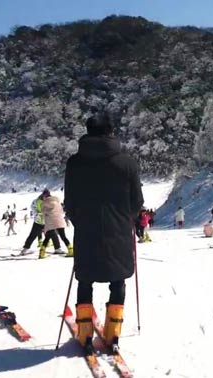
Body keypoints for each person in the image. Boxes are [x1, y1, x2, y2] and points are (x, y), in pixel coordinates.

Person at [64, 111, 144, 353]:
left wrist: (82, 222)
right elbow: (136, 202)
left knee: (85, 280)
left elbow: (70, 203)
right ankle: (113, 333)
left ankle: (86, 335)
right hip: (118, 231)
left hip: (87, 230)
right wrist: (124, 220)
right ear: (111, 132)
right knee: (118, 280)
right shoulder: (127, 163)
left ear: (87, 132)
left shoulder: (75, 162)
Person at [39, 191, 72, 258]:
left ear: (45, 196)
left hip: (50, 222)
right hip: (59, 220)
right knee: (63, 236)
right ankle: (71, 250)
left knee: (47, 238)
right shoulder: (57, 202)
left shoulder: (44, 203)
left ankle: (42, 253)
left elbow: (42, 212)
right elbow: (61, 211)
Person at [19, 190, 47, 255]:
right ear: (42, 195)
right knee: (32, 235)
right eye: (45, 196)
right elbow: (33, 209)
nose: (46, 197)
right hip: (38, 221)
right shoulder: (36, 201)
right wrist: (38, 214)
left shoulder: (49, 201)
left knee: (53, 235)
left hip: (47, 221)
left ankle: (57, 248)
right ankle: (25, 249)